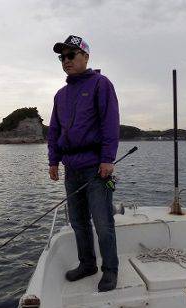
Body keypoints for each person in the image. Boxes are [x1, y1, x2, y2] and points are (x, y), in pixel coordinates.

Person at [47, 35, 120, 292]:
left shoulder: (101, 84)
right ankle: (87, 263)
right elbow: (54, 129)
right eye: (62, 57)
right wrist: (53, 160)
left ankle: (110, 270)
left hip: (96, 168)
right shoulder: (60, 95)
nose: (66, 61)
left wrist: (107, 159)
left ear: (85, 57)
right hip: (71, 168)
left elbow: (110, 123)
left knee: (103, 222)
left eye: (71, 55)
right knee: (78, 222)